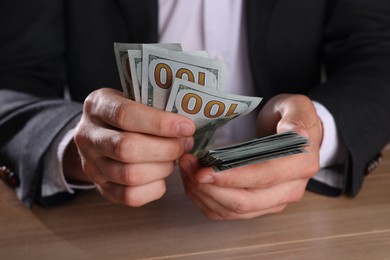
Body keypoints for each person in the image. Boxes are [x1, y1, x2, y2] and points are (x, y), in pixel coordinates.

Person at [1, 0, 390, 220]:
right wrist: (77, 147)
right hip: (114, 222)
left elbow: (377, 55)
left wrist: (316, 128)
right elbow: (13, 82)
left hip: (300, 221)